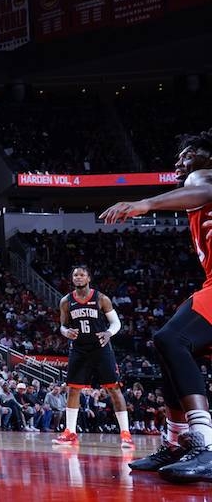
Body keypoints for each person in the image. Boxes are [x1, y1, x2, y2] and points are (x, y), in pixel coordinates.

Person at [100, 130, 212, 482]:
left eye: (188, 154)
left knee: (171, 339)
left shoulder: (203, 179)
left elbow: (204, 188)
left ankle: (205, 444)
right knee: (166, 346)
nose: (180, 162)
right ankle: (178, 441)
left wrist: (144, 204)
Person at [51, 266, 133, 449]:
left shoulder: (101, 298)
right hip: (79, 349)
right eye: (75, 275)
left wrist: (109, 333)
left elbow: (116, 322)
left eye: (81, 274)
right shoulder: (66, 301)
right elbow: (62, 326)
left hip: (101, 348)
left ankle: (126, 434)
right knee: (73, 389)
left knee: (113, 389)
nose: (78, 277)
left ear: (88, 278)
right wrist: (66, 332)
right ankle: (70, 432)